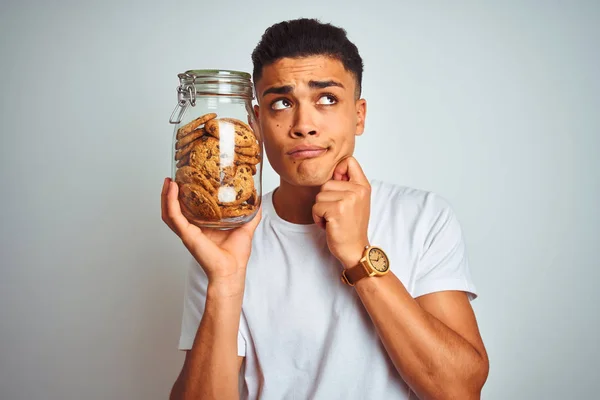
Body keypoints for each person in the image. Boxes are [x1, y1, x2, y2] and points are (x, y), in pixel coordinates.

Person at [162, 18, 489, 400]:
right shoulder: (226, 236)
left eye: (327, 98)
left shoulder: (423, 216)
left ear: (359, 115)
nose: (304, 125)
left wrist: (358, 256)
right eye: (281, 102)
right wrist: (226, 280)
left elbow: (460, 390)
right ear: (256, 121)